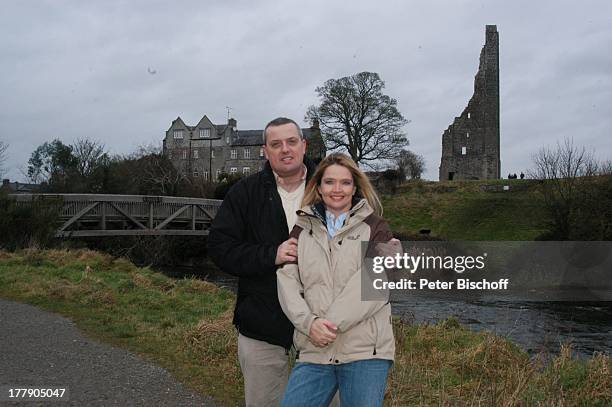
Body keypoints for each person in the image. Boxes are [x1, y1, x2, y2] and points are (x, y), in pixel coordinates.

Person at [208, 117, 316, 407]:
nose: (285, 150)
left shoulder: (332, 187)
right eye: (275, 144)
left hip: (323, 321)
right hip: (263, 320)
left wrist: (383, 250)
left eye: (292, 141)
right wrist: (271, 254)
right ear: (265, 152)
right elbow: (220, 248)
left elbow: (365, 233)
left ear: (304, 146)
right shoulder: (245, 193)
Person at [277, 153, 396, 407]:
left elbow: (374, 283)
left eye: (345, 182)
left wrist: (325, 326)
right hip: (314, 351)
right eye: (330, 182)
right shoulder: (301, 229)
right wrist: (309, 325)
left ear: (355, 187)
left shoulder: (376, 228)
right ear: (318, 188)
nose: (337, 189)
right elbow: (287, 281)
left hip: (366, 353)